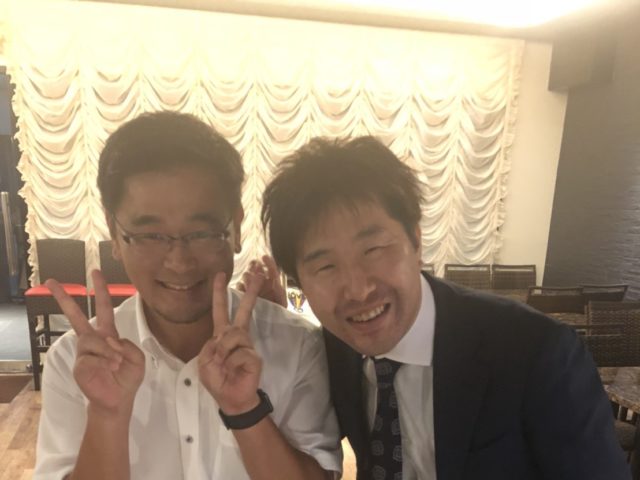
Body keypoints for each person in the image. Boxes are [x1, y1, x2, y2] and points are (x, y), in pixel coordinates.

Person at [258, 136, 630, 479]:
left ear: (416, 242)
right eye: (325, 267)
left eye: (374, 249)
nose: (358, 290)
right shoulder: (335, 348)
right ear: (299, 282)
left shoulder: (536, 353)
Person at [34, 111, 342, 480]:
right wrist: (106, 415)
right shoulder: (73, 361)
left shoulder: (296, 344)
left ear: (236, 226)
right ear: (115, 233)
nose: (179, 262)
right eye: (150, 235)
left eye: (202, 233)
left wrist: (246, 410)